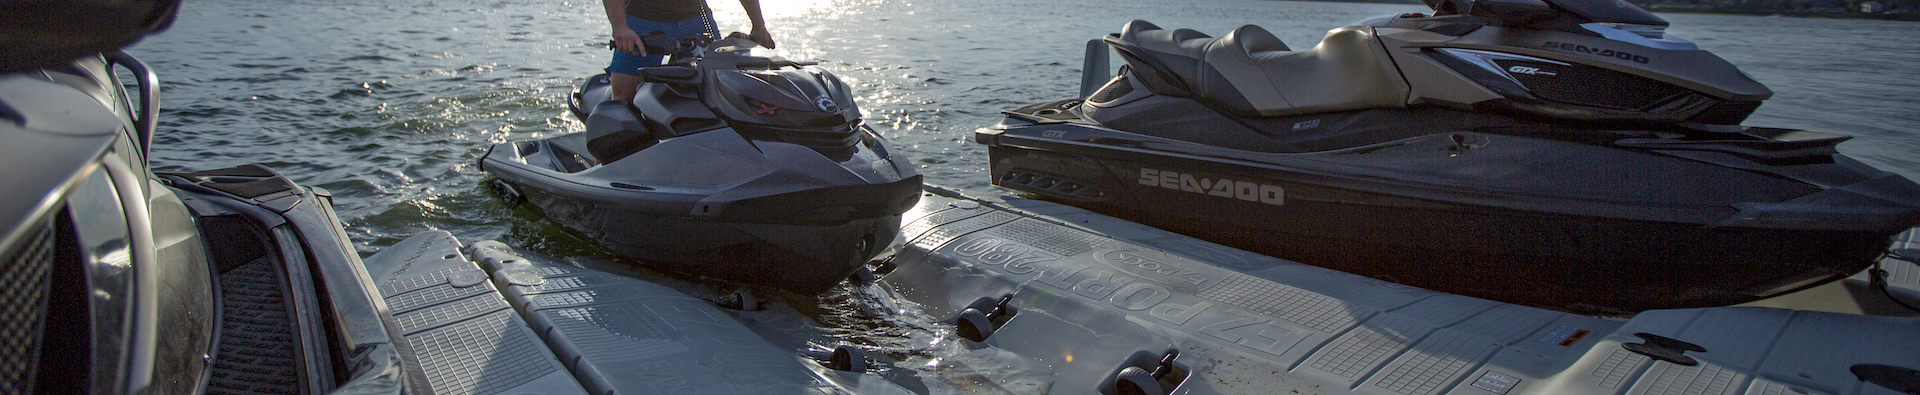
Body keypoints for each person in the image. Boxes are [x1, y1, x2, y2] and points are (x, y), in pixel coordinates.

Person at [603, 0, 776, 104]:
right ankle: (602, 163)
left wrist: (758, 26)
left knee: (719, 92)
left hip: (695, 16)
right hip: (642, 16)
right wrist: (619, 26)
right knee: (623, 99)